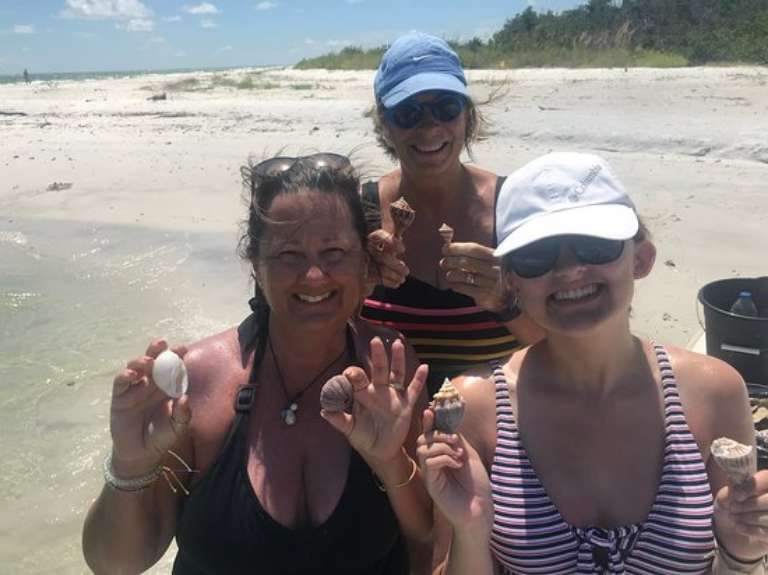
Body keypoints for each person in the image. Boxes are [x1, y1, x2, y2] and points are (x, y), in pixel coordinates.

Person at [82, 154, 434, 574]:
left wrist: (392, 463)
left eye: (335, 251)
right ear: (255, 263)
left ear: (364, 260)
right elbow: (115, 564)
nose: (315, 276)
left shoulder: (389, 366)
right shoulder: (199, 380)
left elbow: (427, 538)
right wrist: (130, 463)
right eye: (288, 254)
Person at [418, 152, 767, 574]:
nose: (569, 269)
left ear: (640, 258)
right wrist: (471, 530)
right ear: (510, 279)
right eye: (536, 256)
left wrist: (741, 548)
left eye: (594, 245)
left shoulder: (715, 391)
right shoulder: (475, 407)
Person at [359, 32, 544, 397]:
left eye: (446, 108)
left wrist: (506, 301)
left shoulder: (514, 207)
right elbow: (318, 333)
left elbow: (563, 344)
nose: (429, 127)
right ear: (385, 124)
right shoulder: (358, 212)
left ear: (466, 114)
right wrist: (357, 285)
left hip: (500, 429)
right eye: (409, 113)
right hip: (386, 434)